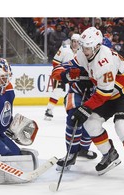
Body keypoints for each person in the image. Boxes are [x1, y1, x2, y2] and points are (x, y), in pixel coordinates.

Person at [52, 27, 124, 184]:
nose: (84, 50)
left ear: (97, 46)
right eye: (83, 46)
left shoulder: (104, 61)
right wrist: (64, 73)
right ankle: (109, 154)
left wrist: (85, 108)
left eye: (87, 47)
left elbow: (103, 94)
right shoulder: (85, 52)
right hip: (109, 93)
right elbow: (69, 67)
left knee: (122, 125)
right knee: (90, 122)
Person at [46, 34, 97, 167]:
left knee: (91, 122)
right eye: (74, 41)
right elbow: (56, 68)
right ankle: (72, 152)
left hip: (95, 95)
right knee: (74, 117)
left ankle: (83, 149)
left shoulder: (103, 58)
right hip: (77, 90)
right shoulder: (77, 56)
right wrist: (66, 75)